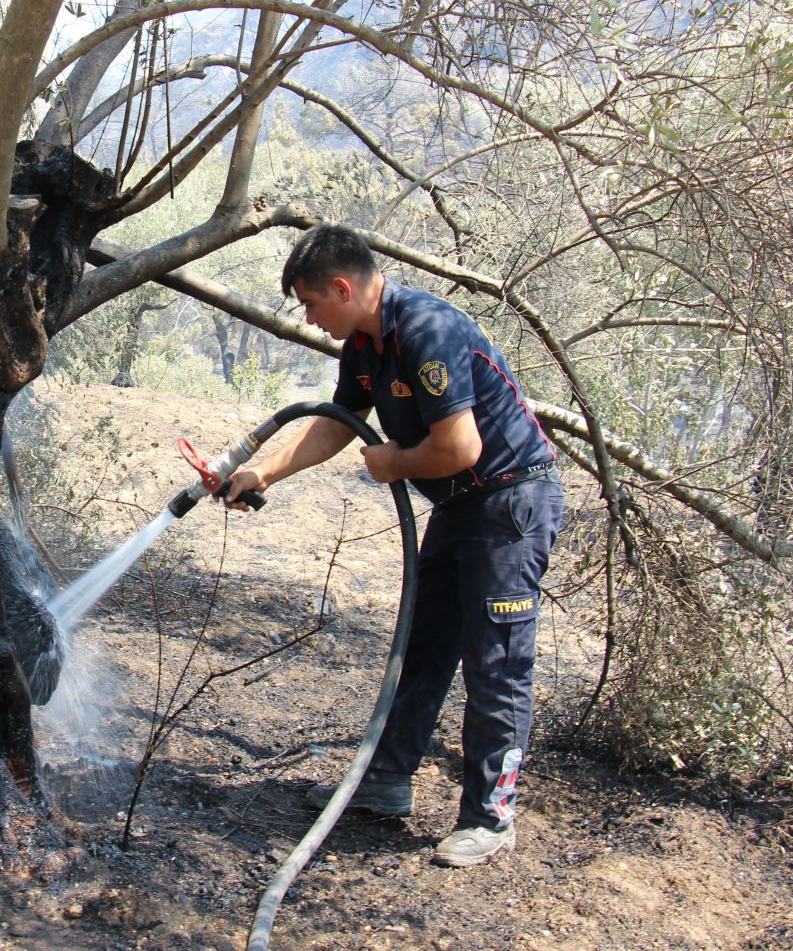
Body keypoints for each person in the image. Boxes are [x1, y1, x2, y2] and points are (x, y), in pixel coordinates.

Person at [223, 224, 564, 868]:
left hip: (510, 504)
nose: (309, 317)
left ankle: (490, 816)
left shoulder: (428, 331)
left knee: (496, 660)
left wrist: (395, 462)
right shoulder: (362, 345)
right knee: (426, 645)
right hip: (462, 506)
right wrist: (262, 471)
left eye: (311, 303)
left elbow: (462, 448)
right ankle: (384, 782)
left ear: (344, 288)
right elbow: (335, 424)